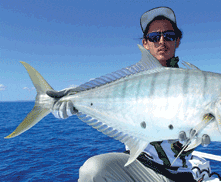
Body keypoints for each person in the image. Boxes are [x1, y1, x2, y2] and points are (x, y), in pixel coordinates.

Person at [48, 7, 210, 182]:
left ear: (177, 41)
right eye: (154, 37)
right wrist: (67, 104)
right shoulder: (128, 82)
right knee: (92, 170)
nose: (162, 41)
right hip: (135, 164)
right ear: (145, 43)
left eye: (169, 36)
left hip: (177, 175)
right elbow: (101, 100)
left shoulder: (195, 85)